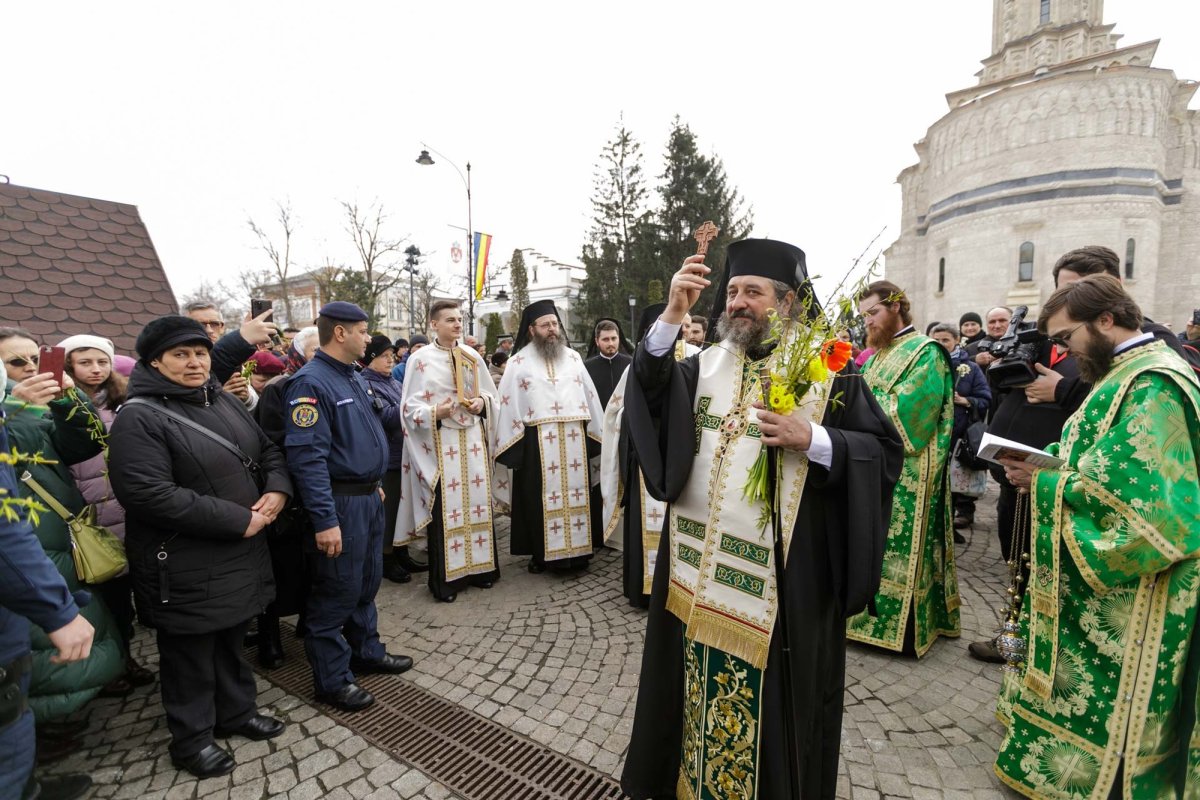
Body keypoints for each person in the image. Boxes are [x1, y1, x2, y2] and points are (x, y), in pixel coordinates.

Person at [620, 240, 902, 800]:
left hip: (781, 583)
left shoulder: (828, 370)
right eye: (733, 292)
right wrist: (673, 312)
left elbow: (882, 453)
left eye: (754, 292)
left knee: (774, 713)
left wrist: (816, 439)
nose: (739, 303)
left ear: (789, 302)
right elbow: (647, 394)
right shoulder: (703, 367)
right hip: (694, 577)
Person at [994, 274, 1200, 799]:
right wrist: (1050, 470)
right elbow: (1101, 465)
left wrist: (1043, 482)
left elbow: (1150, 509)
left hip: (1139, 592)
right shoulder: (1123, 372)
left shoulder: (1152, 383)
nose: (1062, 350)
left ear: (1106, 320)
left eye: (1067, 338)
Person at [107, 315, 294, 779]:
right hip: (184, 560)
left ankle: (236, 713)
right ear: (154, 362)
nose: (194, 363)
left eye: (200, 353)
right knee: (189, 656)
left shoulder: (217, 399)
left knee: (231, 640)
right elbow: (148, 494)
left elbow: (266, 448)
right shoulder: (140, 416)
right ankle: (191, 740)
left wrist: (277, 488)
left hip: (238, 551)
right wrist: (239, 520)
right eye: (180, 355)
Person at [284, 302, 413, 714]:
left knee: (365, 581)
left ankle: (366, 651)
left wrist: (370, 484)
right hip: (339, 506)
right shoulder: (311, 383)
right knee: (336, 591)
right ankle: (333, 679)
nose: (367, 337)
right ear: (340, 333)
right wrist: (325, 520)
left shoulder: (352, 377)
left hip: (365, 497)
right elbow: (308, 459)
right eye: (362, 330)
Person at [846, 280, 959, 657]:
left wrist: (854, 412)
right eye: (864, 316)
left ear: (896, 307)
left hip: (907, 468)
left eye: (873, 313)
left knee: (900, 548)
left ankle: (903, 631)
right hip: (870, 462)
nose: (868, 323)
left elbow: (912, 415)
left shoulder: (925, 352)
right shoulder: (877, 354)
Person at [0, 379, 96, 800]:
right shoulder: (14, 418)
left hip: (36, 566)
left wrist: (67, 399)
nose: (26, 376)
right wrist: (56, 609)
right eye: (13, 365)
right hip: (28, 568)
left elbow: (86, 439)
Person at [60, 335, 157, 692]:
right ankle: (113, 665)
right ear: (69, 365)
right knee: (105, 598)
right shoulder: (62, 405)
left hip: (128, 507)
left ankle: (126, 657)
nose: (96, 369)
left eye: (102, 361)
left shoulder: (124, 401)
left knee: (127, 594)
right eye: (85, 362)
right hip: (88, 514)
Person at [396, 301, 501, 602]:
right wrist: (435, 412)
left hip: (472, 441)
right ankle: (448, 581)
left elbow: (491, 398)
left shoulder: (471, 356)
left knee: (478, 503)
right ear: (434, 325)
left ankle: (481, 571)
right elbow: (408, 409)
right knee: (448, 510)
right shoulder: (420, 361)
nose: (457, 325)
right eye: (450, 320)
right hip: (442, 444)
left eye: (459, 319)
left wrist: (482, 403)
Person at [493, 300, 606, 573]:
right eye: (546, 325)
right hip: (536, 444)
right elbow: (508, 403)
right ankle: (541, 554)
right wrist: (514, 446)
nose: (552, 329)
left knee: (578, 493)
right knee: (536, 499)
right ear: (532, 329)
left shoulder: (574, 357)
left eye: (555, 323)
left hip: (575, 440)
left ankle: (580, 552)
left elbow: (589, 398)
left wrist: (597, 433)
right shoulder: (518, 362)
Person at [600, 304, 697, 609]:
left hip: (687, 451)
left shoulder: (699, 356)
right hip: (648, 455)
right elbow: (615, 412)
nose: (682, 328)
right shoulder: (640, 364)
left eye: (685, 323)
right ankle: (644, 588)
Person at [252, 325, 320, 669]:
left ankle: (309, 623)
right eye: (313, 351)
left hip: (319, 493)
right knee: (280, 568)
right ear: (296, 355)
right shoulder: (279, 389)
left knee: (313, 566)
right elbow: (272, 444)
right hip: (288, 494)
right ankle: (270, 637)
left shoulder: (329, 384)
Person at [356, 335, 411, 585]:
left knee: (402, 510)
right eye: (384, 356)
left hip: (404, 454)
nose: (391, 360)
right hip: (388, 458)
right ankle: (387, 558)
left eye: (392, 355)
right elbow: (385, 416)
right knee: (388, 513)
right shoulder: (366, 383)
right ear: (370, 359)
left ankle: (402, 552)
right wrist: (414, 411)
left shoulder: (394, 382)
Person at [928, 324, 992, 532]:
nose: (940, 344)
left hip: (958, 434)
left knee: (955, 480)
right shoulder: (926, 366)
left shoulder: (970, 369)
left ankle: (957, 518)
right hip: (932, 434)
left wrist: (964, 400)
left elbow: (985, 399)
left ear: (956, 340)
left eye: (945, 340)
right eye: (936, 340)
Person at [583, 318, 633, 409]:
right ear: (597, 341)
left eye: (614, 338)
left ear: (619, 338)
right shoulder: (586, 367)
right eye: (605, 339)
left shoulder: (631, 364)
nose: (611, 343)